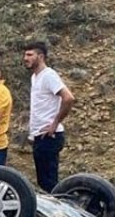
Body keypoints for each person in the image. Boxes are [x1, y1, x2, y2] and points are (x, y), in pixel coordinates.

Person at [24, 41, 76, 192]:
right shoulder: (35, 77)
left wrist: (55, 123)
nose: (25, 58)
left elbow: (69, 98)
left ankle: (61, 213)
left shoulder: (49, 75)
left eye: (29, 55)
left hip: (50, 136)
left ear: (40, 56)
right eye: (25, 55)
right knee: (43, 182)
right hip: (39, 136)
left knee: (50, 183)